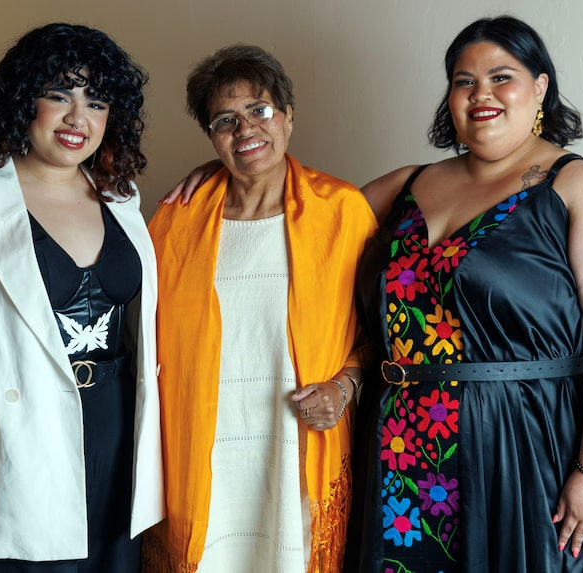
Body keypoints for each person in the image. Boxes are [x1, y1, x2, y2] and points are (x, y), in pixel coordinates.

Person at [165, 16, 583, 573]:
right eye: (463, 80)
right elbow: (302, 213)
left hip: (528, 449)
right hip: (405, 451)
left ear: (541, 88)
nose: (481, 94)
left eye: (501, 76)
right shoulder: (408, 184)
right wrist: (224, 171)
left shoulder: (578, 185)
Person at [0, 23, 163, 572]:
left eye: (96, 101)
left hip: (118, 435)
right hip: (19, 438)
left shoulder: (122, 197)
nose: (78, 118)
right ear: (24, 101)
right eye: (59, 95)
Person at [142, 44, 377, 573]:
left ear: (288, 118)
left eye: (260, 110)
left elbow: (379, 336)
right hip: (200, 456)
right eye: (225, 120)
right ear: (211, 137)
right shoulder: (174, 222)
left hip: (297, 452)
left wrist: (343, 389)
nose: (245, 128)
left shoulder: (341, 212)